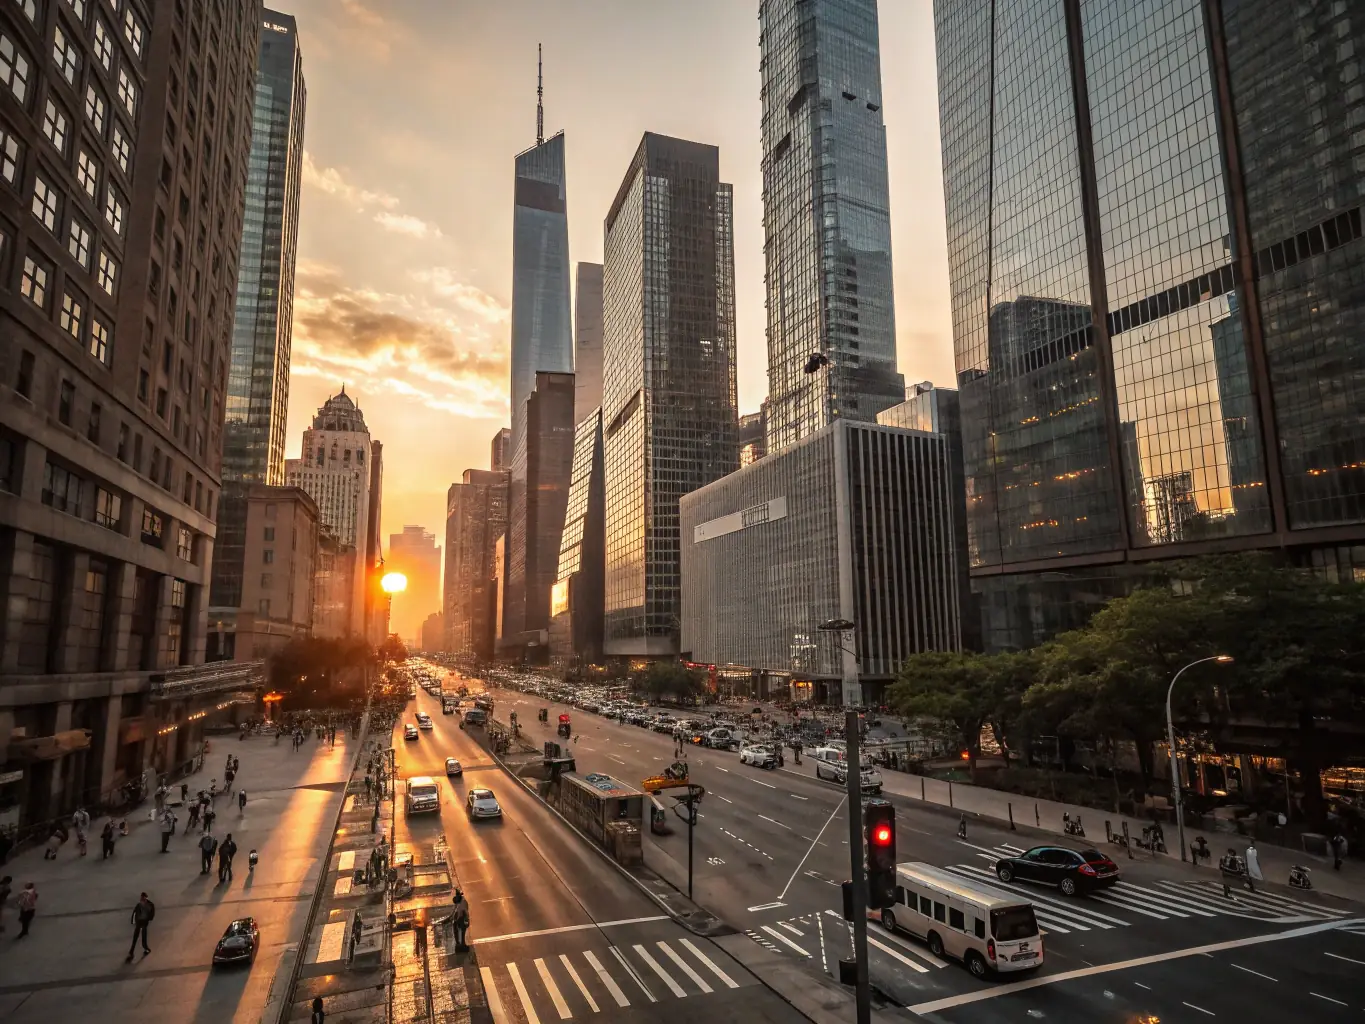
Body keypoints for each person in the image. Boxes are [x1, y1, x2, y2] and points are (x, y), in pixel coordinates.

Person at [126, 892, 154, 961]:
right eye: (141, 898)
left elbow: (152, 913)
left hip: (144, 922)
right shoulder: (139, 905)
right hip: (139, 922)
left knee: (143, 937)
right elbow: (134, 913)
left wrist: (150, 918)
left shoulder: (150, 905)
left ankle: (145, 948)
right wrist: (133, 921)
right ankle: (132, 951)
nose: (142, 900)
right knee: (135, 938)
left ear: (146, 898)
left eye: (143, 898)